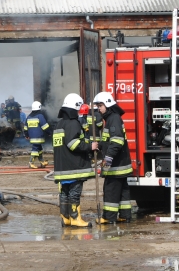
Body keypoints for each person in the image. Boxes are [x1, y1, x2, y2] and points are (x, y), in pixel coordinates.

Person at [53, 93, 98, 228]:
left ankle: (65, 218)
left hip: (62, 168)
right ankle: (75, 218)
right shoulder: (73, 123)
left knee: (64, 193)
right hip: (74, 167)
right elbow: (73, 144)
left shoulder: (59, 124)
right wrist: (90, 146)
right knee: (74, 193)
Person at [93, 91, 133, 224]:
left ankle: (108, 217)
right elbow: (109, 140)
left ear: (108, 104)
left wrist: (108, 157)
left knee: (110, 190)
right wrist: (101, 145)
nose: (99, 108)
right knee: (122, 191)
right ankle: (124, 215)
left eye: (100, 105)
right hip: (121, 163)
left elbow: (116, 141)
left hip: (116, 165)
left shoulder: (113, 119)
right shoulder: (111, 119)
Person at [24, 101, 49, 168]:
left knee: (39, 148)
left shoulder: (29, 117)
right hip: (38, 136)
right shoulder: (40, 116)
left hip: (32, 137)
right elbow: (45, 126)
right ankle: (31, 162)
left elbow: (25, 127)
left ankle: (42, 162)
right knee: (35, 149)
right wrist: (50, 133)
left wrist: (26, 135)